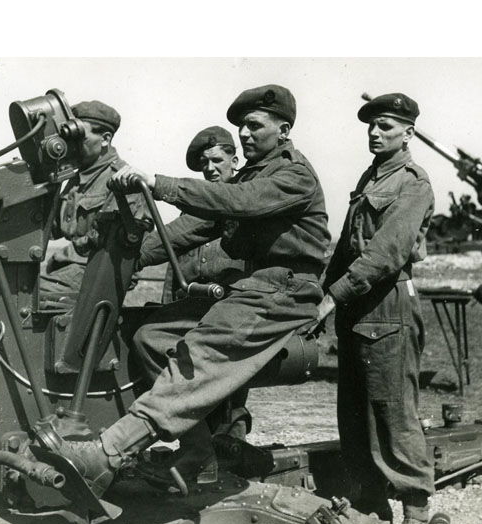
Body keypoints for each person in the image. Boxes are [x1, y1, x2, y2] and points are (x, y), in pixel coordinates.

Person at [44, 84, 330, 499]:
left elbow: (240, 201)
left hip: (285, 289)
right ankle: (199, 454)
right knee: (151, 338)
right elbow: (181, 232)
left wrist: (157, 183)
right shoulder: (253, 175)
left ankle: (108, 453)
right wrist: (116, 254)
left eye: (254, 126)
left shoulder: (293, 175)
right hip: (256, 286)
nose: (245, 135)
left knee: (199, 353)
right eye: (242, 127)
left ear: (284, 130)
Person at [314, 92, 435, 524]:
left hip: (387, 306)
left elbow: (386, 253)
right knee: (355, 410)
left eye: (385, 125)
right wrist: (322, 292)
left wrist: (334, 296)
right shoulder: (371, 178)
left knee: (391, 409)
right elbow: (347, 248)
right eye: (371, 125)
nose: (374, 132)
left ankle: (416, 509)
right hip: (357, 306)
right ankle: (372, 502)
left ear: (409, 132)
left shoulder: (412, 184)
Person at [134, 125, 251, 456]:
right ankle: (201, 450)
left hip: (228, 312)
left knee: (228, 401)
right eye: (204, 164)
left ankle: (227, 452)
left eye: (217, 160)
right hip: (192, 313)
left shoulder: (246, 206)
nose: (210, 169)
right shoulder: (193, 212)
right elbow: (175, 265)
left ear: (235, 160)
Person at [38, 100, 143, 312]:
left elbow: (107, 246)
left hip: (97, 274)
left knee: (22, 298)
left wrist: (62, 256)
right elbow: (52, 228)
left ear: (105, 139)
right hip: (67, 270)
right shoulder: (78, 178)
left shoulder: (121, 181)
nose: (73, 145)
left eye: (80, 138)